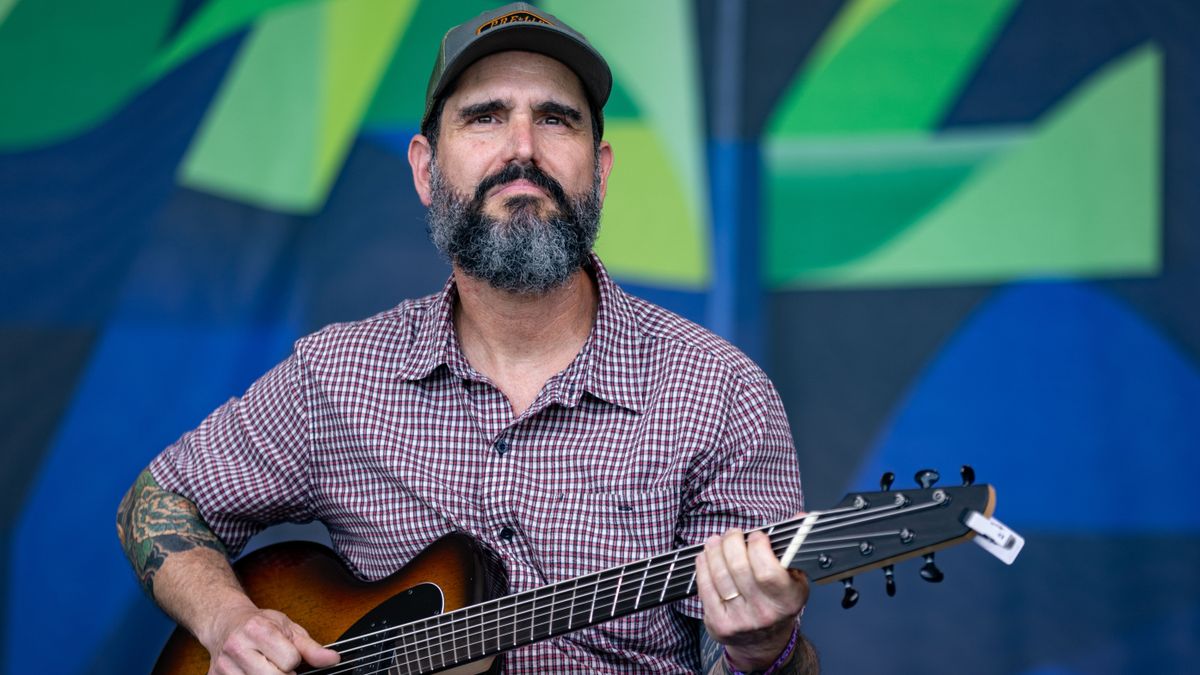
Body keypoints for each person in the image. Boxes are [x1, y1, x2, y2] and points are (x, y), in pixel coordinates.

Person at [116, 3, 817, 673]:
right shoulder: (337, 374)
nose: (523, 149)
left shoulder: (720, 392)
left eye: (557, 119)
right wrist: (228, 622)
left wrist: (763, 648)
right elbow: (159, 501)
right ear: (426, 169)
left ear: (599, 169)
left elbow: (760, 662)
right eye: (485, 117)